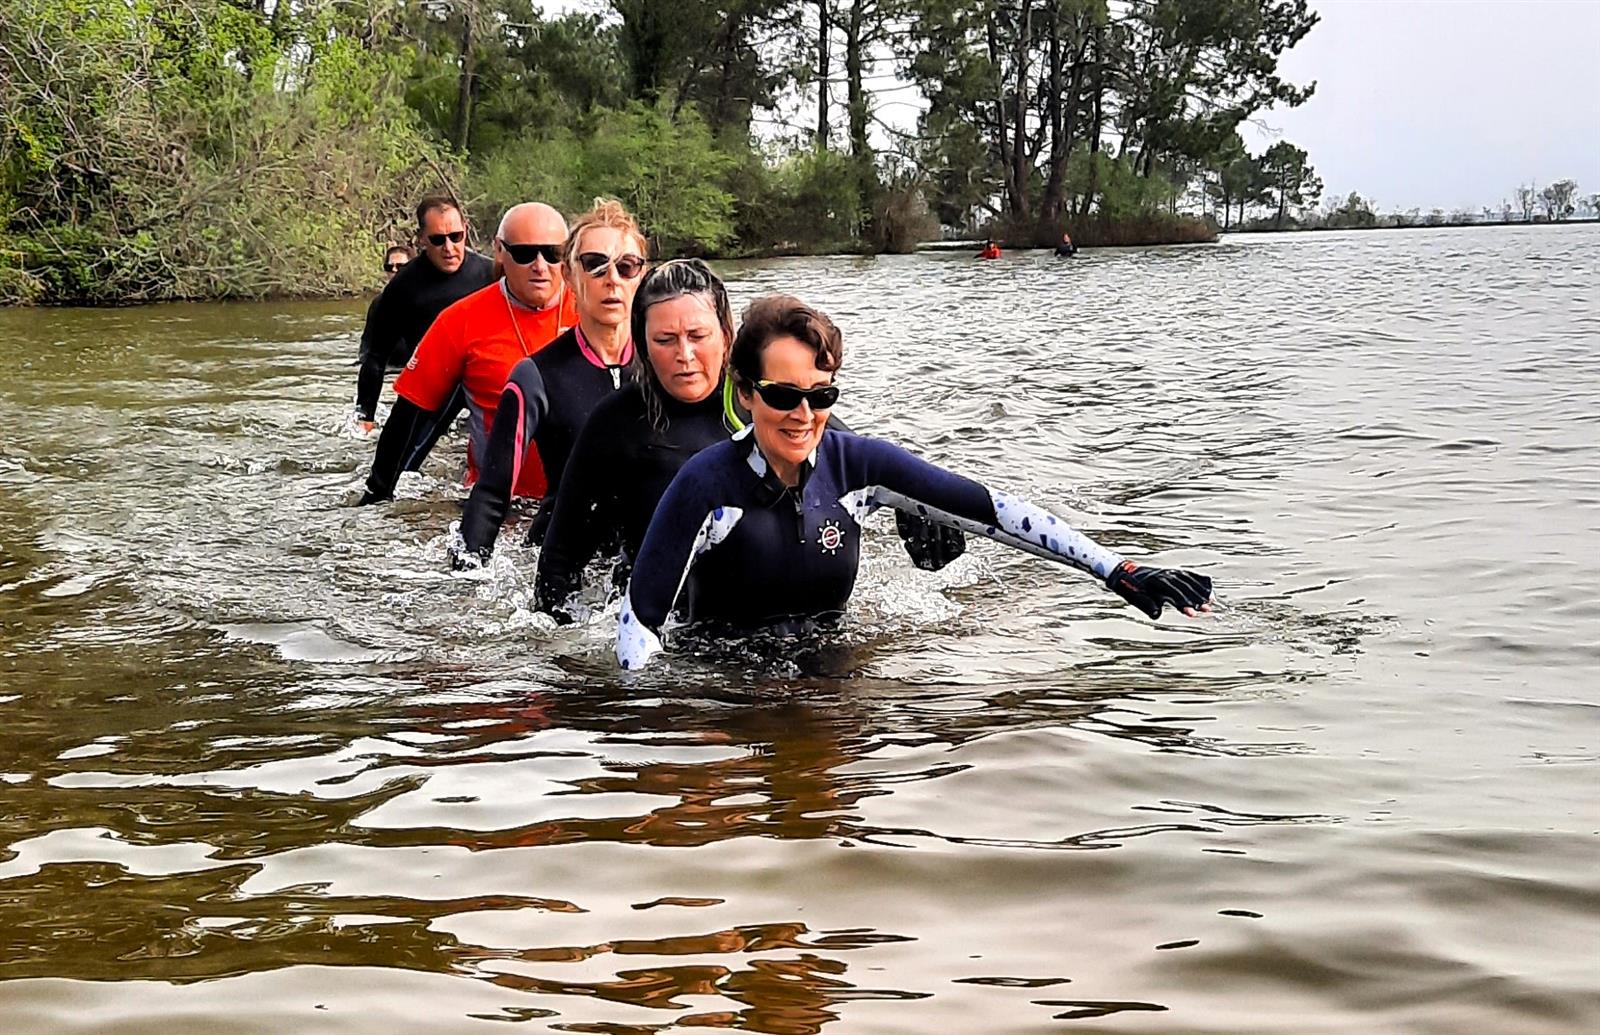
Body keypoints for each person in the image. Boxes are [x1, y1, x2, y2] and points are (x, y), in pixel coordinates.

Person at [615, 295, 1213, 670]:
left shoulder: (858, 467)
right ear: (746, 394)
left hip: (828, 663)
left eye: (820, 396)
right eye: (783, 395)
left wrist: (1118, 571)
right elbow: (640, 627)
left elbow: (995, 512)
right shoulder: (705, 485)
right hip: (721, 678)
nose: (803, 414)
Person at [535, 261, 967, 621]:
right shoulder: (614, 424)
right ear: (643, 348)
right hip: (680, 629)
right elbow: (558, 567)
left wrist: (918, 511)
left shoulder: (771, 404)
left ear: (726, 335)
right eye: (665, 340)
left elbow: (860, 465)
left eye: (697, 337)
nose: (683, 355)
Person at [455, 199, 648, 562]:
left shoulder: (669, 367)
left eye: (626, 266)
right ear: (570, 277)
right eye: (595, 265)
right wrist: (462, 580)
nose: (612, 280)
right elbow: (493, 494)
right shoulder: (537, 375)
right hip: (564, 565)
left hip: (644, 565)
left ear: (641, 275)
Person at [358, 202, 577, 505]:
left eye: (553, 253)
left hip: (577, 502)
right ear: (501, 250)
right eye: (525, 254)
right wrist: (375, 497)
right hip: (501, 503)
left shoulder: (595, 310)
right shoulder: (457, 319)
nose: (540, 266)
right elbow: (405, 414)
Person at [355, 195, 493, 435]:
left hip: (481, 388)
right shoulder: (402, 286)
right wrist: (366, 415)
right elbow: (376, 357)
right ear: (421, 240)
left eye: (456, 237)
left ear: (466, 230)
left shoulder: (490, 273)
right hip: (430, 390)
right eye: (438, 240)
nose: (448, 248)